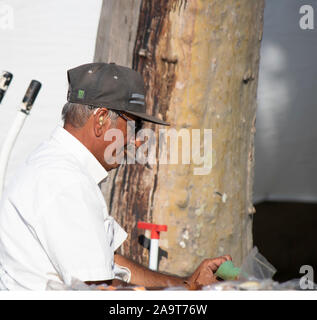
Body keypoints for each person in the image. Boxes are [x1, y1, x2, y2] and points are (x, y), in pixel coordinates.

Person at [0, 63, 231, 290]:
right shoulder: (66, 181)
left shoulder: (55, 164)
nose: (139, 140)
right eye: (135, 125)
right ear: (101, 119)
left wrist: (187, 285)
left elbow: (109, 262)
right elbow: (99, 289)